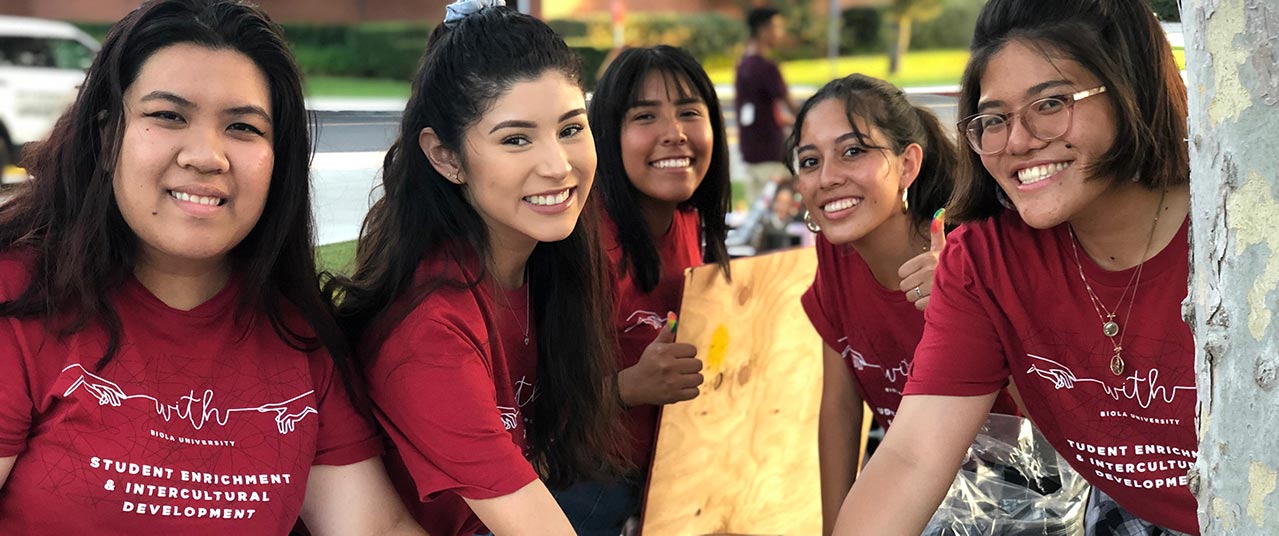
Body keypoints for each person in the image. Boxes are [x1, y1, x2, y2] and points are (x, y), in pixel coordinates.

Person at [0, 1, 423, 534]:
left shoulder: (298, 336)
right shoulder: (18, 297)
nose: (206, 155)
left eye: (243, 127)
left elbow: (375, 527)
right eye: (168, 116)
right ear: (108, 138)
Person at [832, 1, 1195, 534]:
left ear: (1130, 91)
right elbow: (910, 457)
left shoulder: (1238, 242)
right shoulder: (985, 262)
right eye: (994, 120)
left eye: (1050, 104)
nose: (1018, 142)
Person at [327, 2, 625, 535]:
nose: (558, 165)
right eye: (516, 139)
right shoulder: (429, 333)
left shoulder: (548, 265)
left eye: (571, 128)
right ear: (446, 158)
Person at [788, 73, 1022, 533]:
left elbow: (1057, 399)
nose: (827, 177)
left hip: (1026, 495)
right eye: (809, 161)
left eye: (853, 151)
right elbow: (840, 406)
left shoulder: (971, 251)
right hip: (913, 493)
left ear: (908, 165)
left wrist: (970, 309)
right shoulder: (835, 258)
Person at [554, 44, 732, 535]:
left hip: (666, 476)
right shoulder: (581, 241)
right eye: (645, 116)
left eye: (690, 112)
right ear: (607, 136)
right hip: (582, 487)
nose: (674, 134)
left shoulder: (691, 222)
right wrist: (631, 386)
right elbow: (531, 404)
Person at [734, 6, 797, 208]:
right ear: (763, 30)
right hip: (770, 150)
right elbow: (789, 105)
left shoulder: (743, 65)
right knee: (781, 209)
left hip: (750, 149)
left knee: (757, 212)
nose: (781, 33)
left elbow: (763, 108)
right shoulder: (766, 67)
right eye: (777, 27)